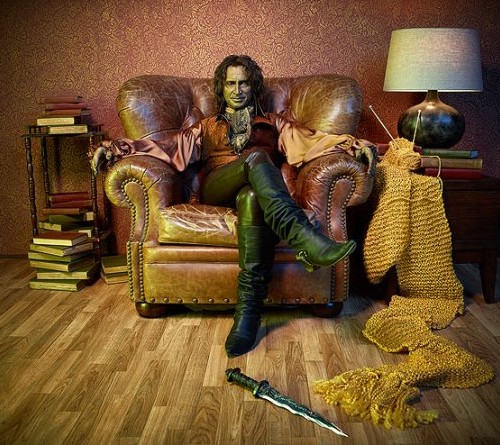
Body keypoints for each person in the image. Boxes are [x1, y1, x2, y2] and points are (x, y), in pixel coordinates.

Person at [92, 55, 377, 357]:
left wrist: (355, 146)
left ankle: (247, 315)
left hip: (258, 196)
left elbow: (314, 141)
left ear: (253, 87)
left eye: (243, 83)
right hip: (218, 188)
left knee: (252, 197)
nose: (237, 90)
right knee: (256, 158)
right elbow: (164, 146)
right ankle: (300, 233)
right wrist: (115, 149)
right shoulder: (205, 127)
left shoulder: (274, 124)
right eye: (230, 83)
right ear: (222, 87)